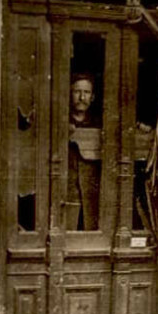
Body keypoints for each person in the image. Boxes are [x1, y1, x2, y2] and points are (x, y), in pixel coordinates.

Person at [63, 73, 101, 229]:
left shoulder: (100, 122)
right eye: (77, 92)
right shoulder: (61, 120)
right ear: (70, 94)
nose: (82, 97)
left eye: (86, 93)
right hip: (66, 191)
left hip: (91, 193)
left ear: (92, 97)